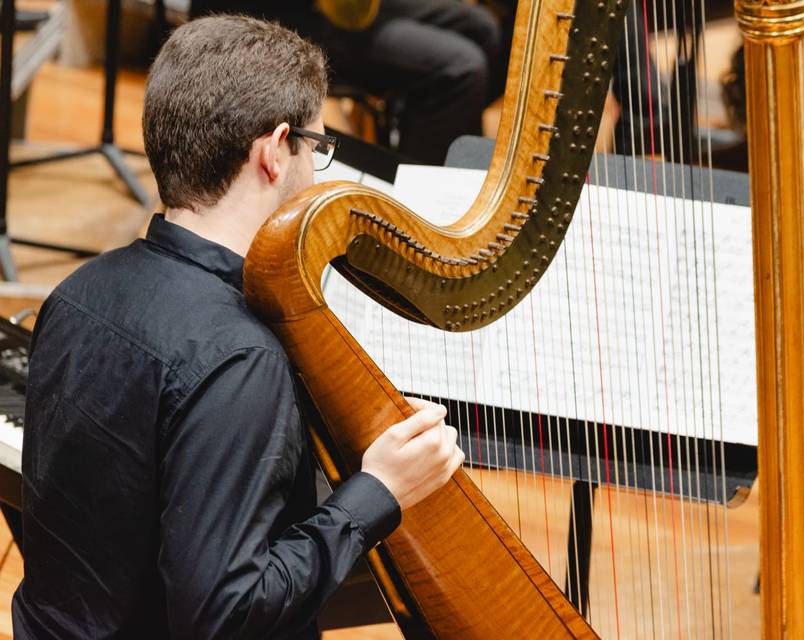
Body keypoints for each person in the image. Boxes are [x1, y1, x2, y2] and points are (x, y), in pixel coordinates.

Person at [12, 16, 464, 639]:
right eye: (318, 149)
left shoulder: (77, 291)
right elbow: (224, 616)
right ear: (275, 151)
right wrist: (377, 491)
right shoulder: (241, 357)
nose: (317, 170)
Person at [189, 0, 503, 165]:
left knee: (484, 29)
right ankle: (412, 205)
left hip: (336, 10)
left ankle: (421, 133)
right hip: (270, 13)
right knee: (462, 69)